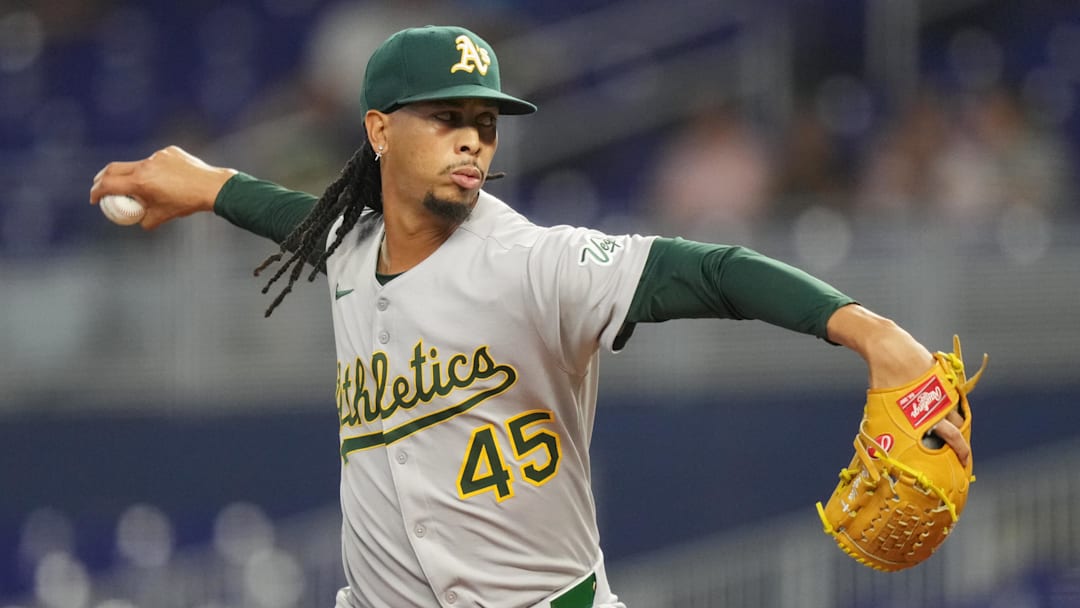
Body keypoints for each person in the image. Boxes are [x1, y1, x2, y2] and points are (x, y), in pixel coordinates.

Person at [90, 25, 971, 608]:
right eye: (446, 118)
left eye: (486, 121)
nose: (474, 137)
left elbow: (710, 270)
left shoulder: (532, 264)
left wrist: (874, 334)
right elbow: (306, 221)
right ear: (379, 131)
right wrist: (206, 185)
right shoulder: (355, 248)